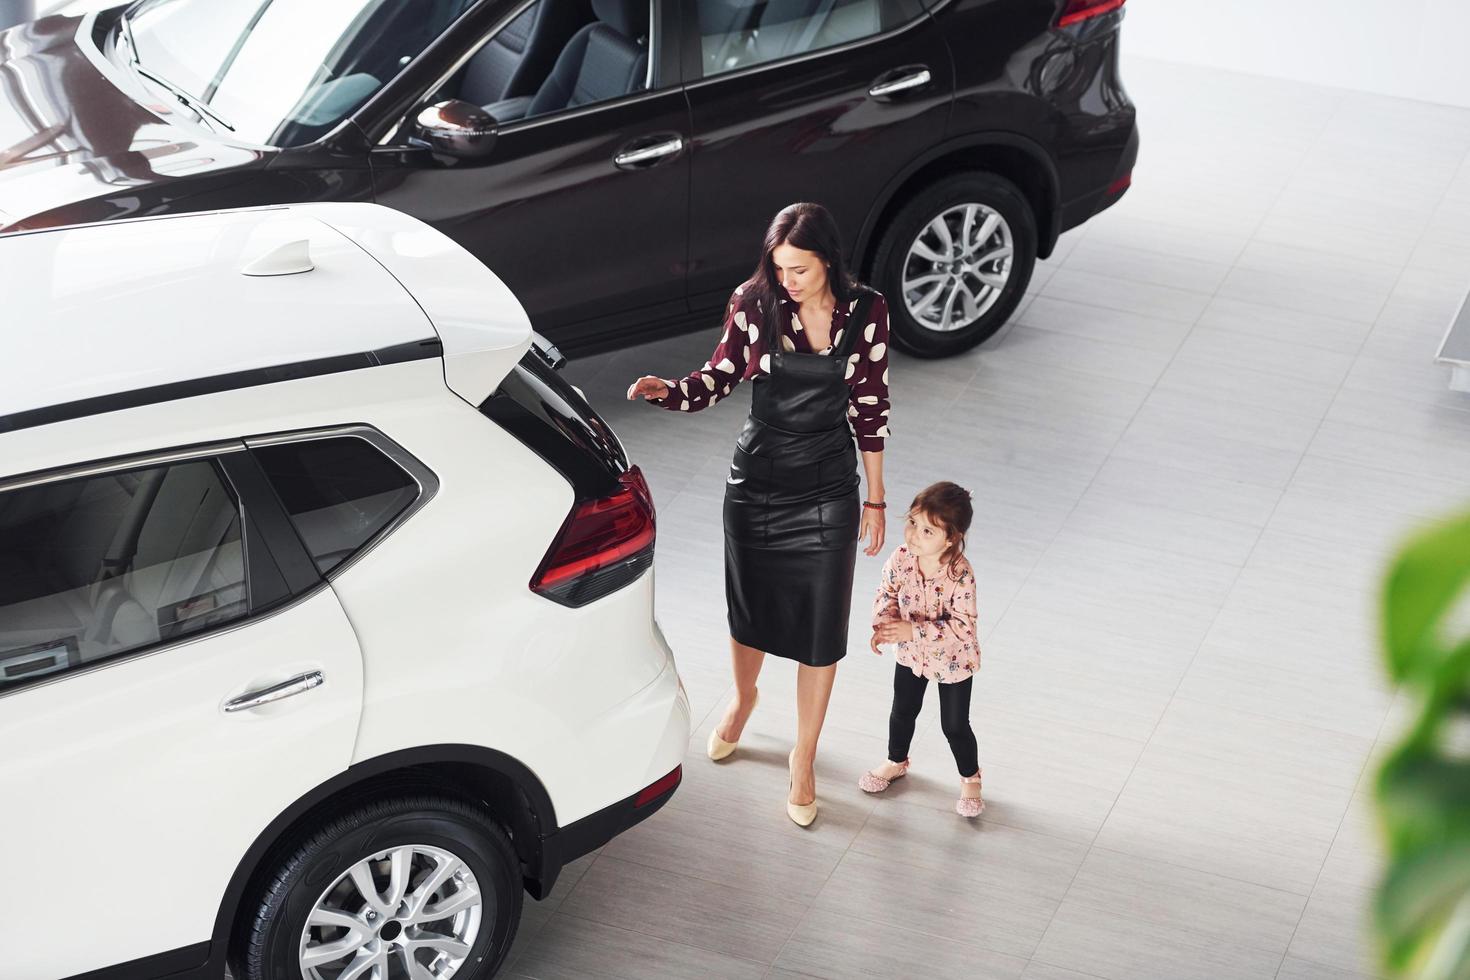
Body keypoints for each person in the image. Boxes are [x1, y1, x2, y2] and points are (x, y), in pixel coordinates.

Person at [627, 202, 891, 827]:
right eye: (779, 268)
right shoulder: (756, 301)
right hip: (758, 483)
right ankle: (744, 699)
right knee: (750, 614)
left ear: (827, 260)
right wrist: (671, 391)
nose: (788, 280)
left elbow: (872, 407)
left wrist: (876, 500)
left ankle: (804, 756)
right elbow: (719, 376)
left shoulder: (867, 312)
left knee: (821, 628)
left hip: (828, 486)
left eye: (798, 269)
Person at [860, 481, 984, 818]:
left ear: (951, 538)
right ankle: (895, 760)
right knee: (902, 710)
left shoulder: (961, 575)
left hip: (954, 662)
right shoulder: (901, 558)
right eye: (912, 522)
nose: (914, 535)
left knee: (954, 725)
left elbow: (962, 627)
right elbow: (886, 591)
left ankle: (970, 777)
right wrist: (884, 625)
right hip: (911, 656)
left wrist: (911, 630)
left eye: (927, 531)